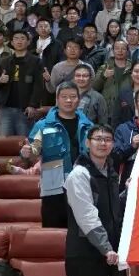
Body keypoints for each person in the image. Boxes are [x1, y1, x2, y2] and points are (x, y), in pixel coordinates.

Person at [63, 123, 129, 276]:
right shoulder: (79, 175)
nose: (103, 143)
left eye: (108, 139)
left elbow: (113, 211)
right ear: (87, 142)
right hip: (85, 258)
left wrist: (128, 193)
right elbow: (87, 216)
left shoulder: (111, 172)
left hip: (112, 259)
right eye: (98, 139)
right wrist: (106, 248)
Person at [24, 82, 93, 228]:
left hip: (81, 184)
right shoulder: (43, 125)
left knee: (81, 230)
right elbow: (33, 151)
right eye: (64, 97)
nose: (69, 100)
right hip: (53, 185)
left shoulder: (89, 126)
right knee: (52, 232)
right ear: (57, 99)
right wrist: (27, 152)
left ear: (79, 99)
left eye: (73, 97)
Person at [0, 30, 47, 137]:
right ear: (12, 42)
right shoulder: (5, 61)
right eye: (16, 38)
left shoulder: (36, 61)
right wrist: (0, 81)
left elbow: (38, 86)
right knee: (4, 141)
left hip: (25, 109)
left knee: (24, 142)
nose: (19, 41)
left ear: (28, 42)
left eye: (22, 38)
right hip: (6, 108)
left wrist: (32, 105)